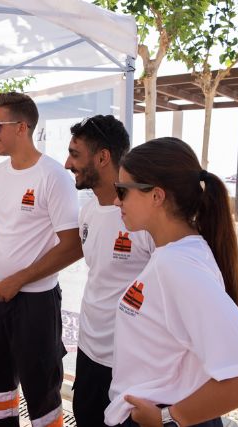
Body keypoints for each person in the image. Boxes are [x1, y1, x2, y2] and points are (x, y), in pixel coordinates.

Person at [105, 137, 238, 427]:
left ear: (156, 196)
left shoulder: (177, 264)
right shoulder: (178, 254)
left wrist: (167, 418)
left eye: (122, 191)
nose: (115, 201)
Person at [0, 92, 82, 426]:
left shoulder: (53, 176)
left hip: (35, 304)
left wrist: (19, 279)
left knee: (42, 395)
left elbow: (73, 245)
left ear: (21, 127)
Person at [64, 115, 155, 426]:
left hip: (132, 365)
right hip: (89, 356)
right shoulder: (88, 210)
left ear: (102, 157)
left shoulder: (144, 218)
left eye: (75, 154)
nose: (67, 164)